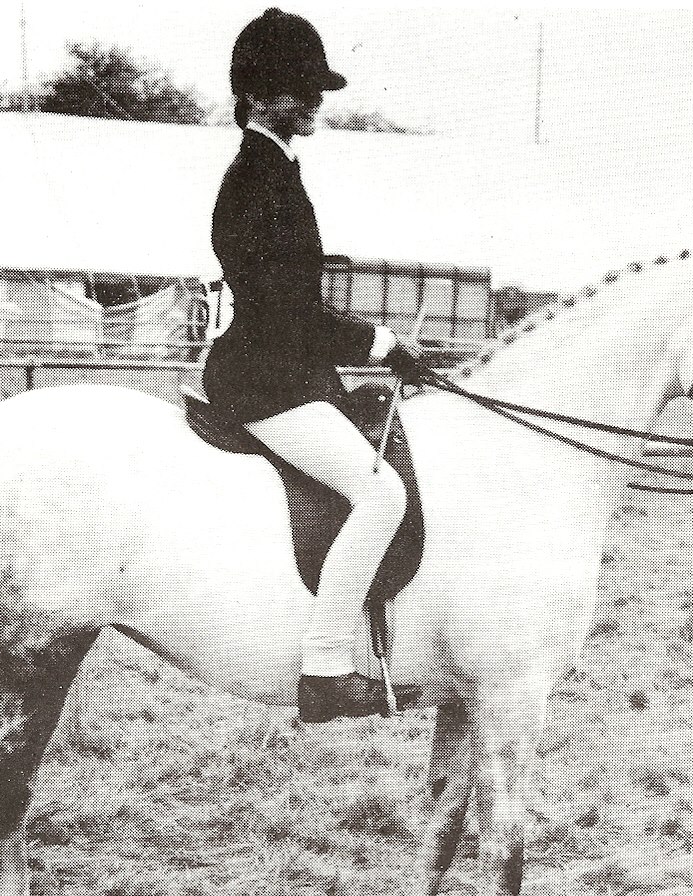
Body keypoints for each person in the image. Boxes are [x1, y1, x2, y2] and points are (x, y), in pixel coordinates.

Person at [195, 8, 423, 724]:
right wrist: (378, 344)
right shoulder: (253, 182)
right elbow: (286, 313)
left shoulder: (278, 171)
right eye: (300, 88)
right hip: (264, 382)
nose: (315, 100)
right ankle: (325, 667)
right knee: (383, 495)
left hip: (285, 373)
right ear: (259, 98)